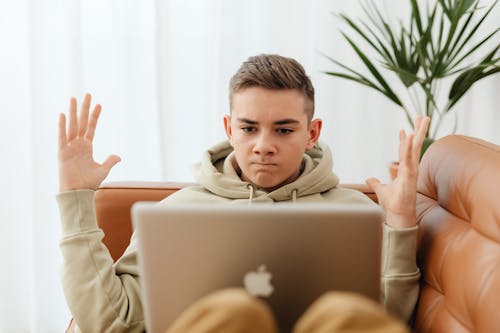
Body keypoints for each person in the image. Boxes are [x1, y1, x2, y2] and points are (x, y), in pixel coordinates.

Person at [57, 54, 429, 333]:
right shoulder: (179, 213)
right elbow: (112, 322)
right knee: (235, 313)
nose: (263, 145)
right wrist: (76, 198)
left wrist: (399, 226)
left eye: (283, 130)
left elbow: (387, 321)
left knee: (346, 316)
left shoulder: (353, 215)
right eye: (249, 128)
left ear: (312, 133)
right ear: (229, 128)